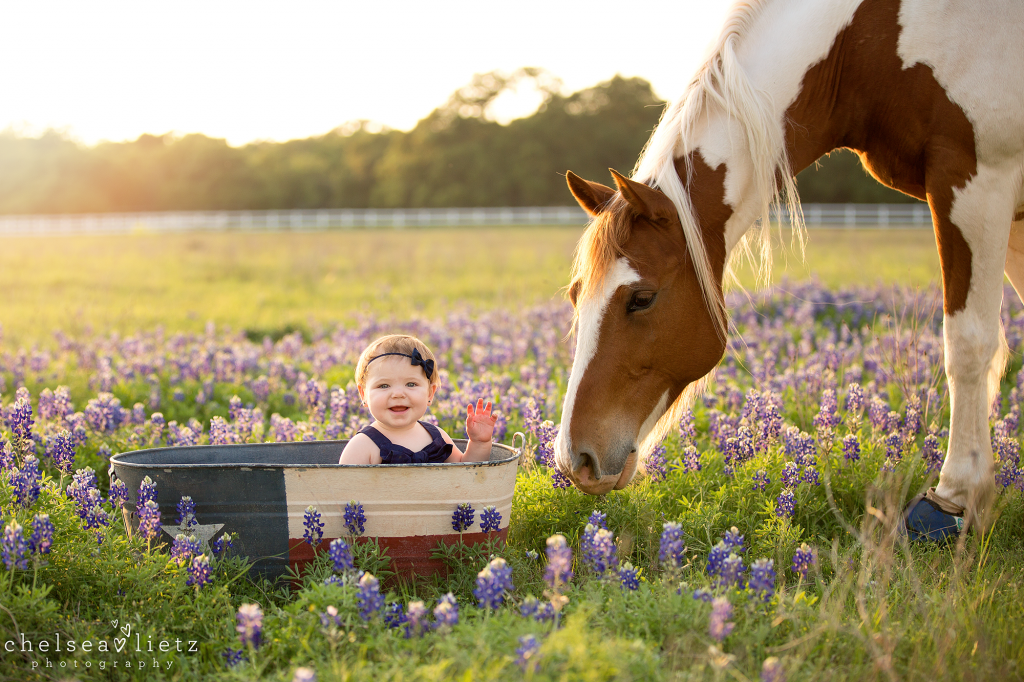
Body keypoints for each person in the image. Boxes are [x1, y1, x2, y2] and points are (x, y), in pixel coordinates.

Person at [339, 334, 496, 464]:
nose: (398, 394)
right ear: (363, 394)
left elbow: (467, 475)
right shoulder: (362, 446)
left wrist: (479, 444)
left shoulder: (437, 437)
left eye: (411, 384)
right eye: (384, 386)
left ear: (430, 393)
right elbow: (343, 495)